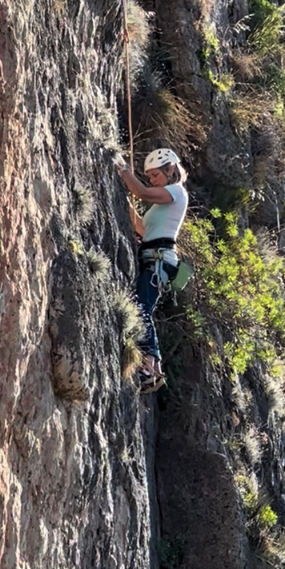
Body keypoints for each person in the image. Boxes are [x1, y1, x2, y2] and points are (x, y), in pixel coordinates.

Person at [114, 147, 189, 392]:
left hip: (160, 261)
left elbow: (143, 192)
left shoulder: (177, 192)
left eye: (156, 174)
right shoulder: (162, 205)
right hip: (153, 258)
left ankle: (152, 366)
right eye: (150, 177)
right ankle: (150, 365)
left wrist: (124, 171)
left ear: (170, 169)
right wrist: (125, 202)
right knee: (141, 307)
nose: (153, 180)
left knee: (141, 308)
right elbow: (143, 229)